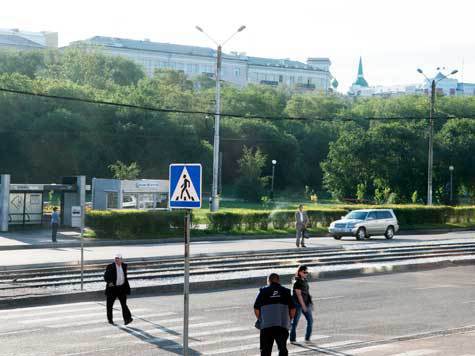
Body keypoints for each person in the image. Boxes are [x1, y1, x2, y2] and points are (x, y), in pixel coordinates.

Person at [254, 273, 296, 356]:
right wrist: (289, 319)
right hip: (281, 325)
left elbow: (256, 308)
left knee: (265, 350)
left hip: (266, 326)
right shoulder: (286, 291)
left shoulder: (263, 291)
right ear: (278, 280)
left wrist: (260, 319)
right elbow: (293, 309)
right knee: (282, 348)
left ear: (268, 281)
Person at [104, 254, 133, 325]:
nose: (116, 260)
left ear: (121, 259)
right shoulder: (110, 266)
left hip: (122, 288)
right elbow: (105, 276)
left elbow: (124, 276)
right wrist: (109, 282)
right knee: (109, 305)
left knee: (124, 305)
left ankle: (127, 319)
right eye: (115, 259)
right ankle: (110, 319)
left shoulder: (124, 266)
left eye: (118, 259)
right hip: (112, 288)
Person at [289, 265, 313, 343]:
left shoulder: (304, 280)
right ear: (300, 272)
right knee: (295, 322)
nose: (306, 273)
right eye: (304, 272)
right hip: (298, 305)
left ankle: (307, 338)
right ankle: (292, 339)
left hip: (306, 303)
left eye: (307, 272)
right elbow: (299, 295)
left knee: (310, 320)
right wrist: (303, 306)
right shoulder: (297, 282)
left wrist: (310, 303)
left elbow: (306, 292)